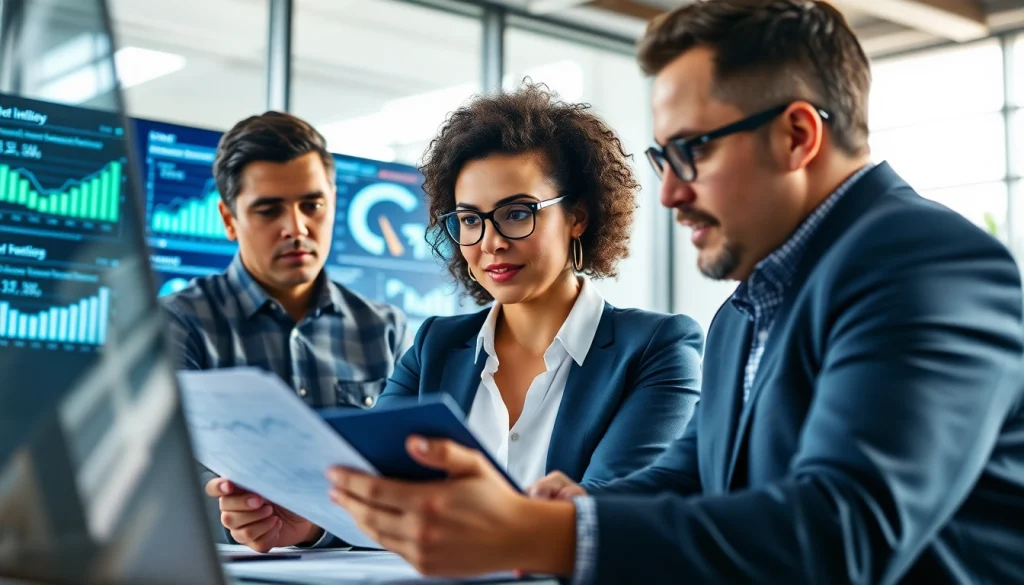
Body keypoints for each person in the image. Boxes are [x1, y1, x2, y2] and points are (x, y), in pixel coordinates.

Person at [323, 1, 1024, 583]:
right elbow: (693, 473)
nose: (669, 192)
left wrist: (555, 535)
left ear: (798, 135)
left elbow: (848, 530)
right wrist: (576, 510)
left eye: (692, 150)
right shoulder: (745, 311)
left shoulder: (926, 265)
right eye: (662, 157)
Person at [216, 83, 705, 552]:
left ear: (577, 215)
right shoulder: (434, 346)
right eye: (470, 219)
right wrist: (310, 521)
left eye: (517, 213)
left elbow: (611, 510)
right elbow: (373, 485)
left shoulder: (657, 347)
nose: (490, 241)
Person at [162, 112, 409, 546]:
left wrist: (316, 525)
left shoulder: (387, 329)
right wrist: (239, 516)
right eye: (268, 209)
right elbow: (164, 470)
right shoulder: (177, 324)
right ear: (228, 218)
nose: (296, 228)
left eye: (312, 205)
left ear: (333, 201)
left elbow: (410, 475)